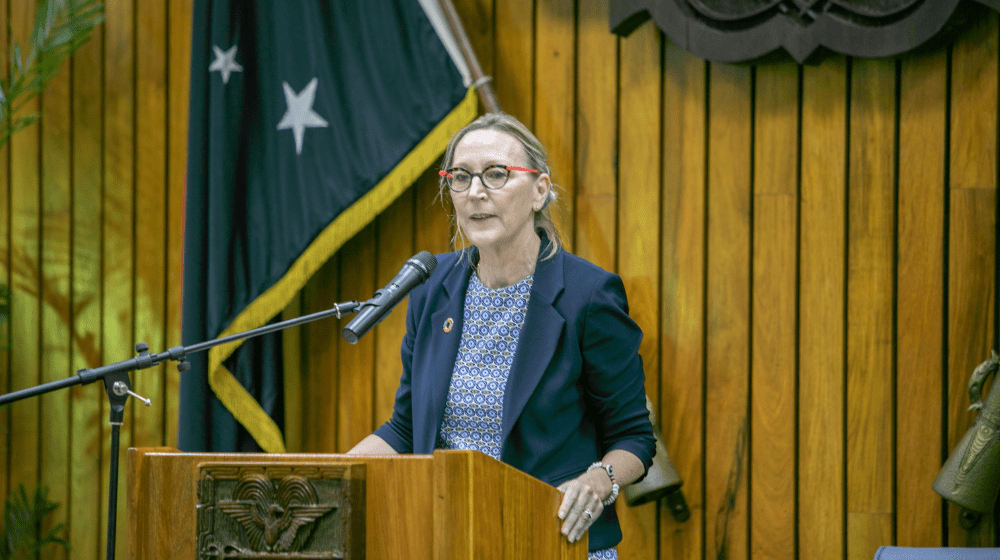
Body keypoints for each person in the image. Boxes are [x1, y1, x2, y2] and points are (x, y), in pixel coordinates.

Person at [348, 112, 656, 559]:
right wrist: (331, 475)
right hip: (451, 539)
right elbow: (406, 427)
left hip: (553, 542)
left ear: (539, 190)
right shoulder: (432, 288)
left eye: (496, 174)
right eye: (460, 177)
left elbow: (633, 437)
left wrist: (597, 481)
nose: (476, 192)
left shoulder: (588, 296)